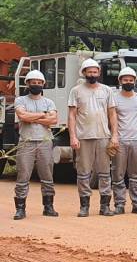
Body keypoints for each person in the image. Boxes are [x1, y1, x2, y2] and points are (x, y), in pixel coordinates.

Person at [68, 58, 119, 217]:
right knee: (83, 172)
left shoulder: (107, 90)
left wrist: (114, 135)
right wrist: (73, 137)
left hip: (103, 136)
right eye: (89, 72)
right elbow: (71, 116)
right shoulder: (76, 91)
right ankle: (84, 206)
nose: (92, 74)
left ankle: (105, 207)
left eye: (95, 71)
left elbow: (112, 114)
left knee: (105, 173)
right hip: (83, 137)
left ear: (99, 72)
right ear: (83, 73)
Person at [13, 70, 58, 220]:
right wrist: (43, 115)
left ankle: (48, 207)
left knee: (47, 175)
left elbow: (53, 120)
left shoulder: (48, 102)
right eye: (33, 82)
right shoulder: (20, 100)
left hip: (45, 142)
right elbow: (22, 116)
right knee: (23, 175)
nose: (36, 85)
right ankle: (20, 209)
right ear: (27, 83)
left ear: (43, 84)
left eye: (39, 83)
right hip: (26, 142)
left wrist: (32, 117)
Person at [111, 67, 137, 215]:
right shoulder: (114, 98)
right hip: (119, 141)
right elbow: (111, 118)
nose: (128, 82)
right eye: (125, 80)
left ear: (135, 81)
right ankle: (119, 204)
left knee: (136, 174)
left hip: (136, 141)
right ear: (120, 81)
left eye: (131, 80)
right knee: (118, 174)